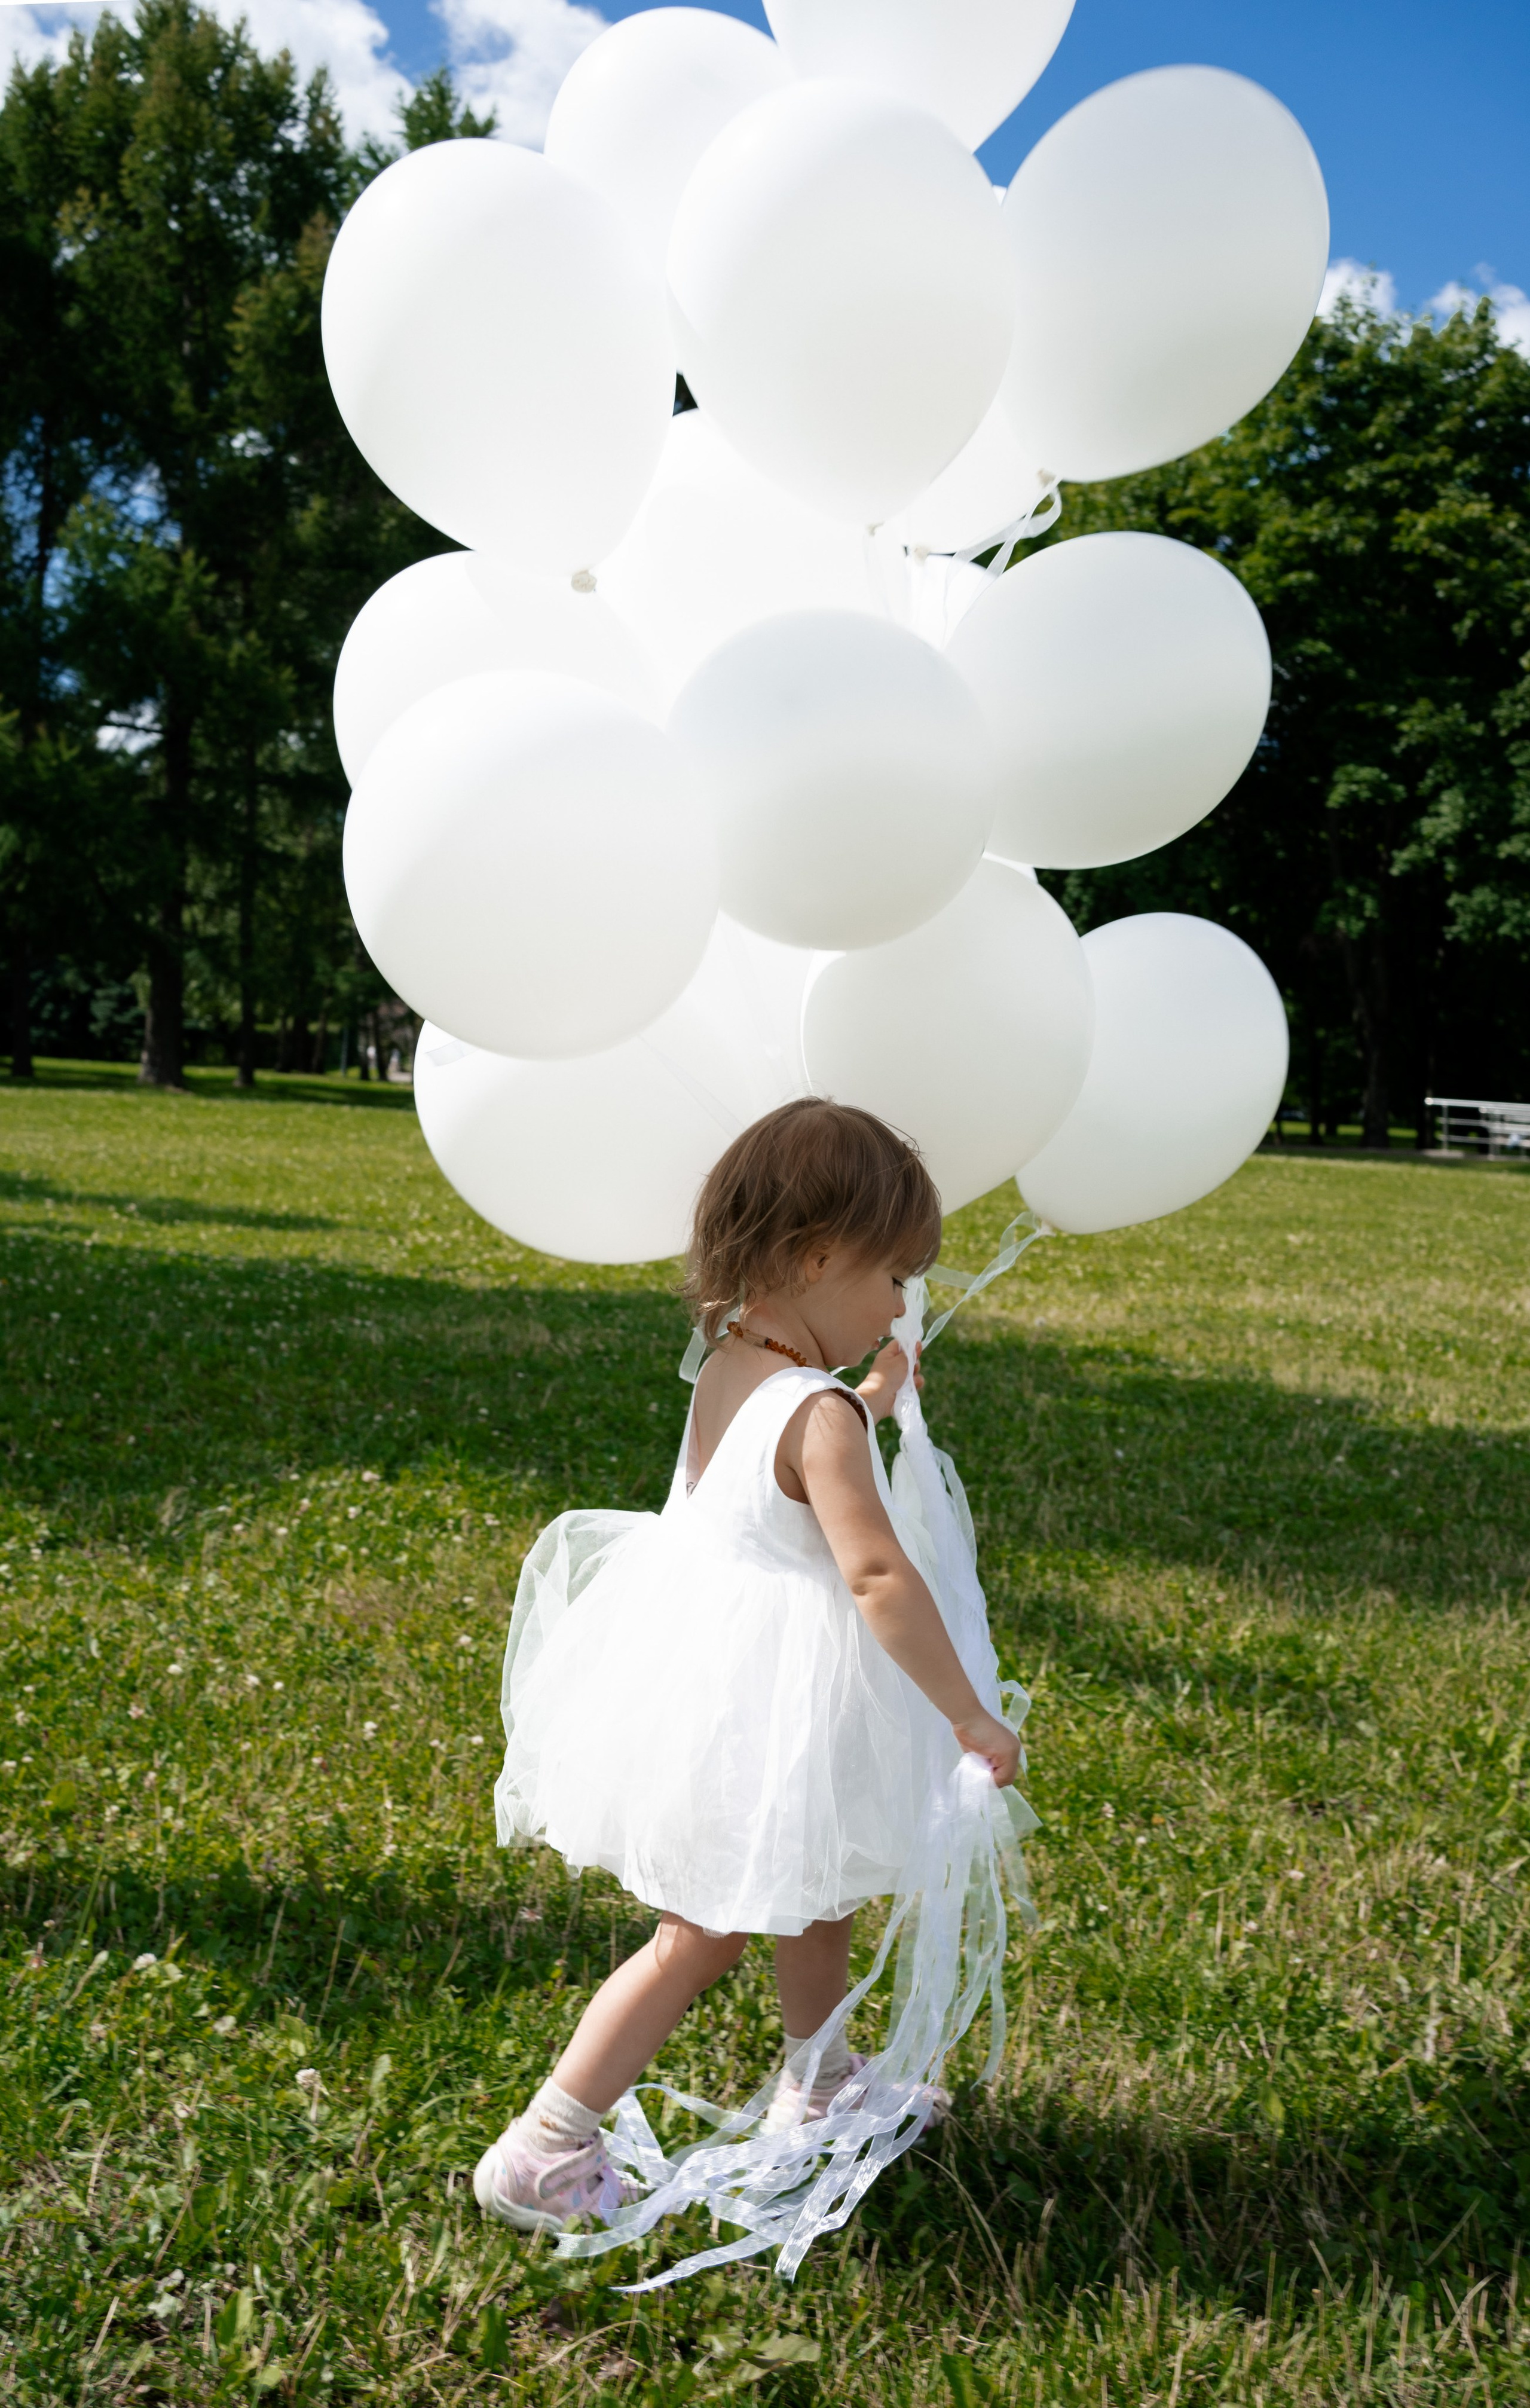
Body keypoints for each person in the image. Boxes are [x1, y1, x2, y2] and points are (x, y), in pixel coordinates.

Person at [474, 1098, 1026, 2244]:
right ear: (821, 1258)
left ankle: (819, 2084)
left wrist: (868, 1398)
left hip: (722, 1694)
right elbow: (874, 1574)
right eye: (892, 1278)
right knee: (702, 1934)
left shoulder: (735, 1361)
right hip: (769, 1709)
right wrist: (968, 1713)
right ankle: (550, 2141)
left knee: (812, 1889)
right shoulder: (813, 1413)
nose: (896, 1306)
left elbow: (779, 1455)